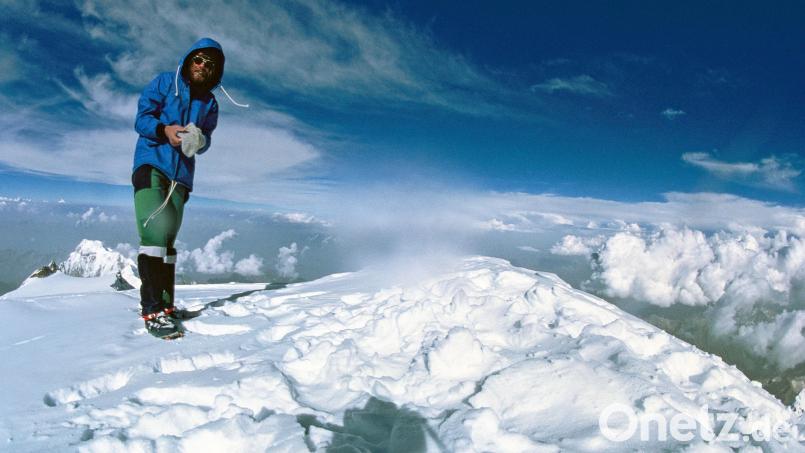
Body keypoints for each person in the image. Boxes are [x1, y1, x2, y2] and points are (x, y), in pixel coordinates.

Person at [132, 37, 245, 339]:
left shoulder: (210, 104)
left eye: (211, 65)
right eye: (199, 60)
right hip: (152, 165)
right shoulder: (165, 82)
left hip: (181, 178)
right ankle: (152, 311)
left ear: (216, 72)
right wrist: (164, 130)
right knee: (154, 235)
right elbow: (142, 118)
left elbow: (206, 139)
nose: (203, 67)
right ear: (189, 59)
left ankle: (166, 308)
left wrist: (201, 141)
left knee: (167, 243)